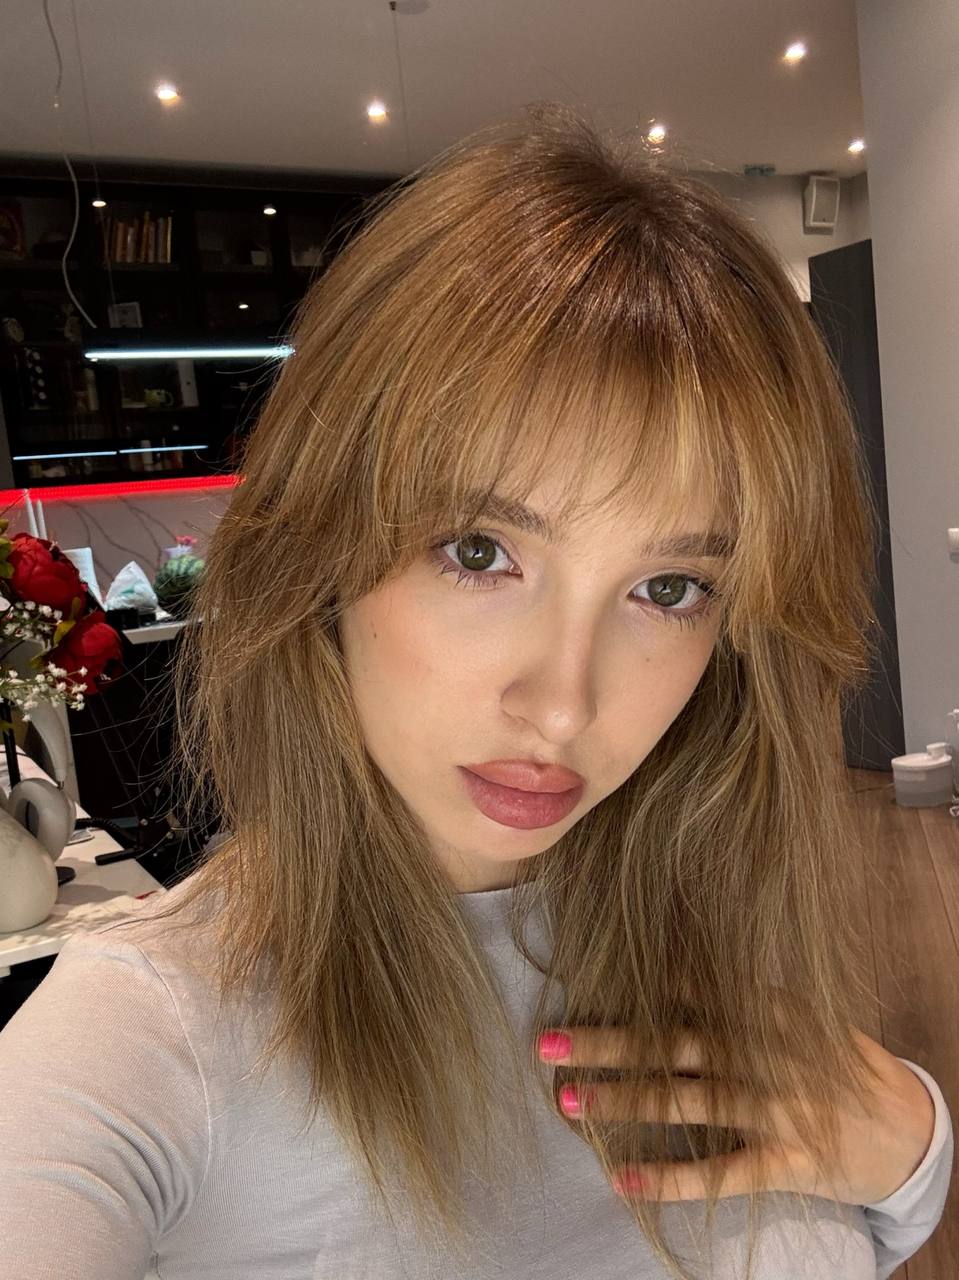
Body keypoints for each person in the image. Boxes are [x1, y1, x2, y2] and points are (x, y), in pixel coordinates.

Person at [0, 101, 952, 1280]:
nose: (562, 707)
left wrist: (911, 1150)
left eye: (666, 586)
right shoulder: (143, 1042)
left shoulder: (688, 892)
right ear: (320, 548)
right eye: (478, 551)